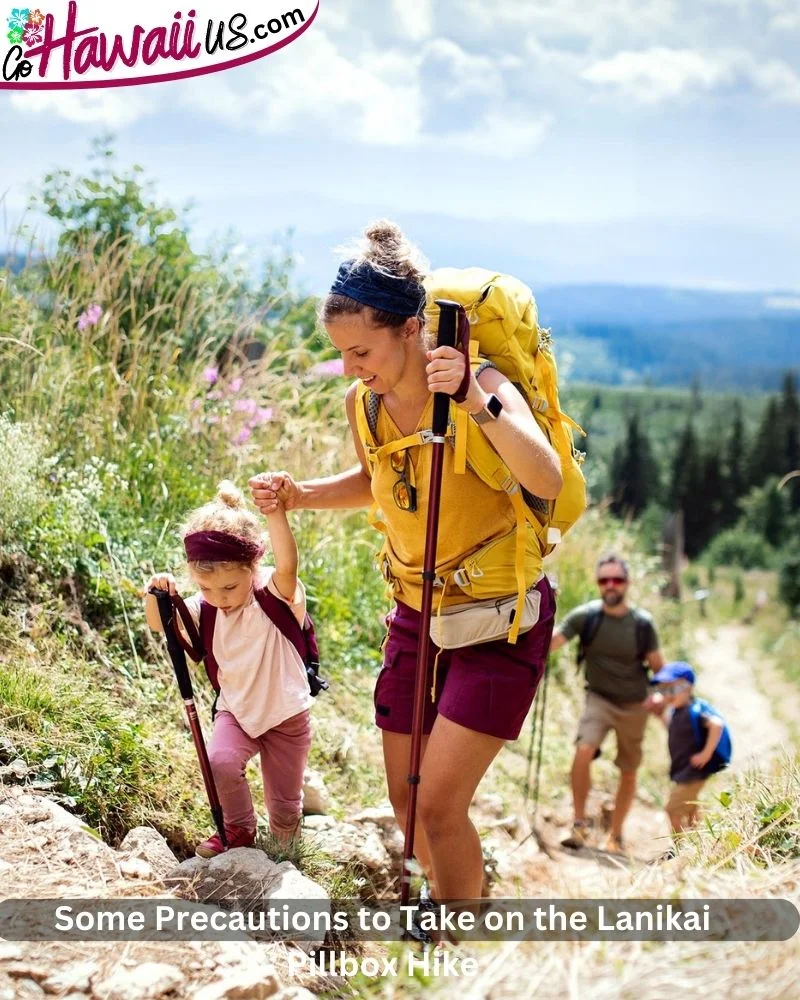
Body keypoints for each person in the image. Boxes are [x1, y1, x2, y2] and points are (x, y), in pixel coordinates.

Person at [250, 220, 563, 903]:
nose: (351, 367)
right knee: (405, 802)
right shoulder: (363, 403)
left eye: (362, 349)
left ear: (412, 328)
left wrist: (474, 403)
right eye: (341, 353)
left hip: (497, 619)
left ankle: (463, 946)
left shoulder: (481, 382)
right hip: (415, 612)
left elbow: (545, 479)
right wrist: (301, 496)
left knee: (440, 807)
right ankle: (443, 914)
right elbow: (376, 481)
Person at [145, 480, 312, 857]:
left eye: (230, 588)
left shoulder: (273, 593)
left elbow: (288, 563)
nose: (219, 598)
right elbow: (160, 623)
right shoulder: (205, 609)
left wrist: (275, 512)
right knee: (220, 761)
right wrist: (154, 593)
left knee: (285, 805)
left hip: (286, 714)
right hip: (236, 709)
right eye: (206, 588)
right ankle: (238, 830)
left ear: (253, 568)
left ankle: (287, 852)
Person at [549, 554, 665, 853]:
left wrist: (662, 696)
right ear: (598, 584)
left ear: (627, 583)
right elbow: (553, 642)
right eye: (604, 580)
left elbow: (659, 668)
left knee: (628, 770)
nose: (611, 585)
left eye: (617, 579)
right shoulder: (586, 617)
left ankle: (616, 834)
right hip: (599, 698)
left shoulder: (642, 624)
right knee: (583, 749)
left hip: (634, 705)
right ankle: (579, 825)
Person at [649, 662, 728, 841]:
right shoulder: (678, 712)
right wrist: (661, 716)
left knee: (672, 809)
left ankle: (681, 846)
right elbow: (674, 731)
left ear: (688, 688)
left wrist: (706, 754)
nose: (667, 695)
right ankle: (700, 842)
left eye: (672, 689)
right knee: (691, 808)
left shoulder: (694, 710)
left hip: (694, 771)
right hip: (684, 769)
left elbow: (717, 724)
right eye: (664, 690)